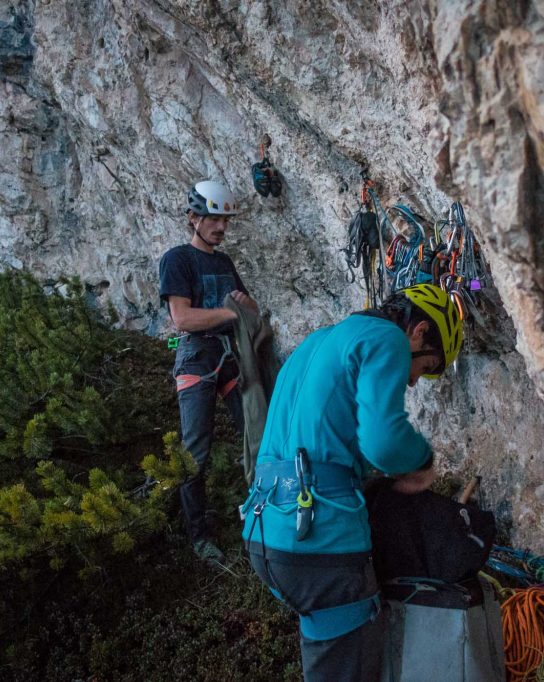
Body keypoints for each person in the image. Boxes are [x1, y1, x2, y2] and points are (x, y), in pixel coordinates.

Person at [240, 284, 464, 681]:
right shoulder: (387, 338)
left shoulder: (317, 342)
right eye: (425, 367)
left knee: (329, 658)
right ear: (420, 331)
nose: (413, 382)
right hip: (321, 541)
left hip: (267, 535)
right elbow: (384, 441)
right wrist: (423, 462)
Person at [159, 180, 258, 565]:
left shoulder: (224, 262)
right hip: (197, 357)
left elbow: (244, 303)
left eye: (224, 220)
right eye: (213, 219)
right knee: (195, 452)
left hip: (228, 354)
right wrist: (232, 314)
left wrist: (248, 309)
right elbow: (182, 317)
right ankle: (199, 536)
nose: (221, 227)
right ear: (193, 218)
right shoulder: (177, 259)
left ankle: (262, 510)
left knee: (254, 431)